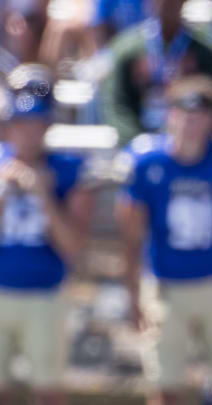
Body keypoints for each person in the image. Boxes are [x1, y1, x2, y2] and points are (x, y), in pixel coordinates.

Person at [115, 74, 212, 405]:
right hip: (165, 286)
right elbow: (131, 235)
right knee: (165, 386)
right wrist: (132, 293)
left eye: (199, 114)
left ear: (211, 120)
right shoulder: (147, 162)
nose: (190, 122)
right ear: (169, 114)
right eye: (183, 112)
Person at [0, 64, 94, 405]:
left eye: (36, 124)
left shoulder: (68, 170)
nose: (29, 133)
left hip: (46, 294)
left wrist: (44, 197)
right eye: (22, 124)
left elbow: (72, 245)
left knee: (49, 391)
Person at [102, 0, 212, 145]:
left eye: (172, 2)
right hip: (138, 143)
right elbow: (117, 103)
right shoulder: (126, 49)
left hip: (190, 146)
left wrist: (189, 139)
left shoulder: (205, 52)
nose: (166, 5)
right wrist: (135, 141)